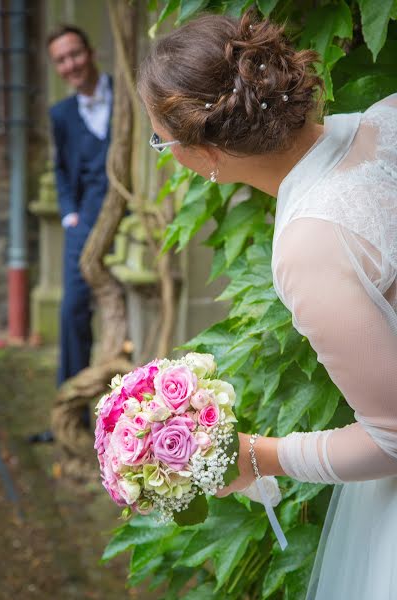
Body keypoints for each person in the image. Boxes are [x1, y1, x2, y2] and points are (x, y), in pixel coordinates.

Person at [138, 10, 397, 600]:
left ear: (204, 156)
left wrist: (258, 455)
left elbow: (393, 437)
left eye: (161, 139)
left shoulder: (309, 245)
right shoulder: (392, 113)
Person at [29, 25, 112, 443]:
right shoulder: (62, 115)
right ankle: (71, 413)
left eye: (75, 54)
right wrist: (68, 216)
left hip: (122, 214)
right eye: (61, 60)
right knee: (71, 311)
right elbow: (61, 171)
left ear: (91, 51)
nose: (71, 65)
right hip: (84, 222)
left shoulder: (125, 97)